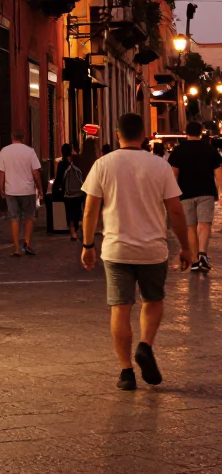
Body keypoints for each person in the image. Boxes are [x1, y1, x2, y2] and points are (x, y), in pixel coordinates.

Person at [81, 112, 190, 390]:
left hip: (116, 249)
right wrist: (187, 247)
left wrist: (87, 245)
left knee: (120, 308)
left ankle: (126, 371)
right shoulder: (159, 166)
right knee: (153, 301)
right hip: (153, 249)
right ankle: (145, 345)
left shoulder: (103, 164)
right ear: (143, 135)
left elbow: (91, 209)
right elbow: (175, 210)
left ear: (117, 134)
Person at [168, 120, 222, 273]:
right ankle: (203, 255)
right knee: (204, 224)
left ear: (186, 133)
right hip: (206, 192)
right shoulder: (210, 149)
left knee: (190, 226)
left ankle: (194, 260)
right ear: (201, 132)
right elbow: (218, 173)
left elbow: (173, 174)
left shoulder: (178, 151)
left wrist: (172, 195)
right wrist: (220, 191)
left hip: (185, 193)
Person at [0, 130, 44, 256]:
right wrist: (40, 189)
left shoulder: (4, 151)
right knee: (29, 217)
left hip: (11, 190)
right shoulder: (30, 151)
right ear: (23, 137)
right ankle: (27, 243)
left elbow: (1, 172)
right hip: (27, 190)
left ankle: (16, 248)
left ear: (12, 137)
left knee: (14, 218)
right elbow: (36, 173)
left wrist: (1, 187)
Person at [52, 143, 85, 240]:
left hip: (68, 193)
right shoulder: (77, 162)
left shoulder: (62, 164)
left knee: (69, 211)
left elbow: (58, 179)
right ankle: (78, 227)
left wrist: (54, 190)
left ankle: (72, 232)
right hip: (79, 192)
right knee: (78, 210)